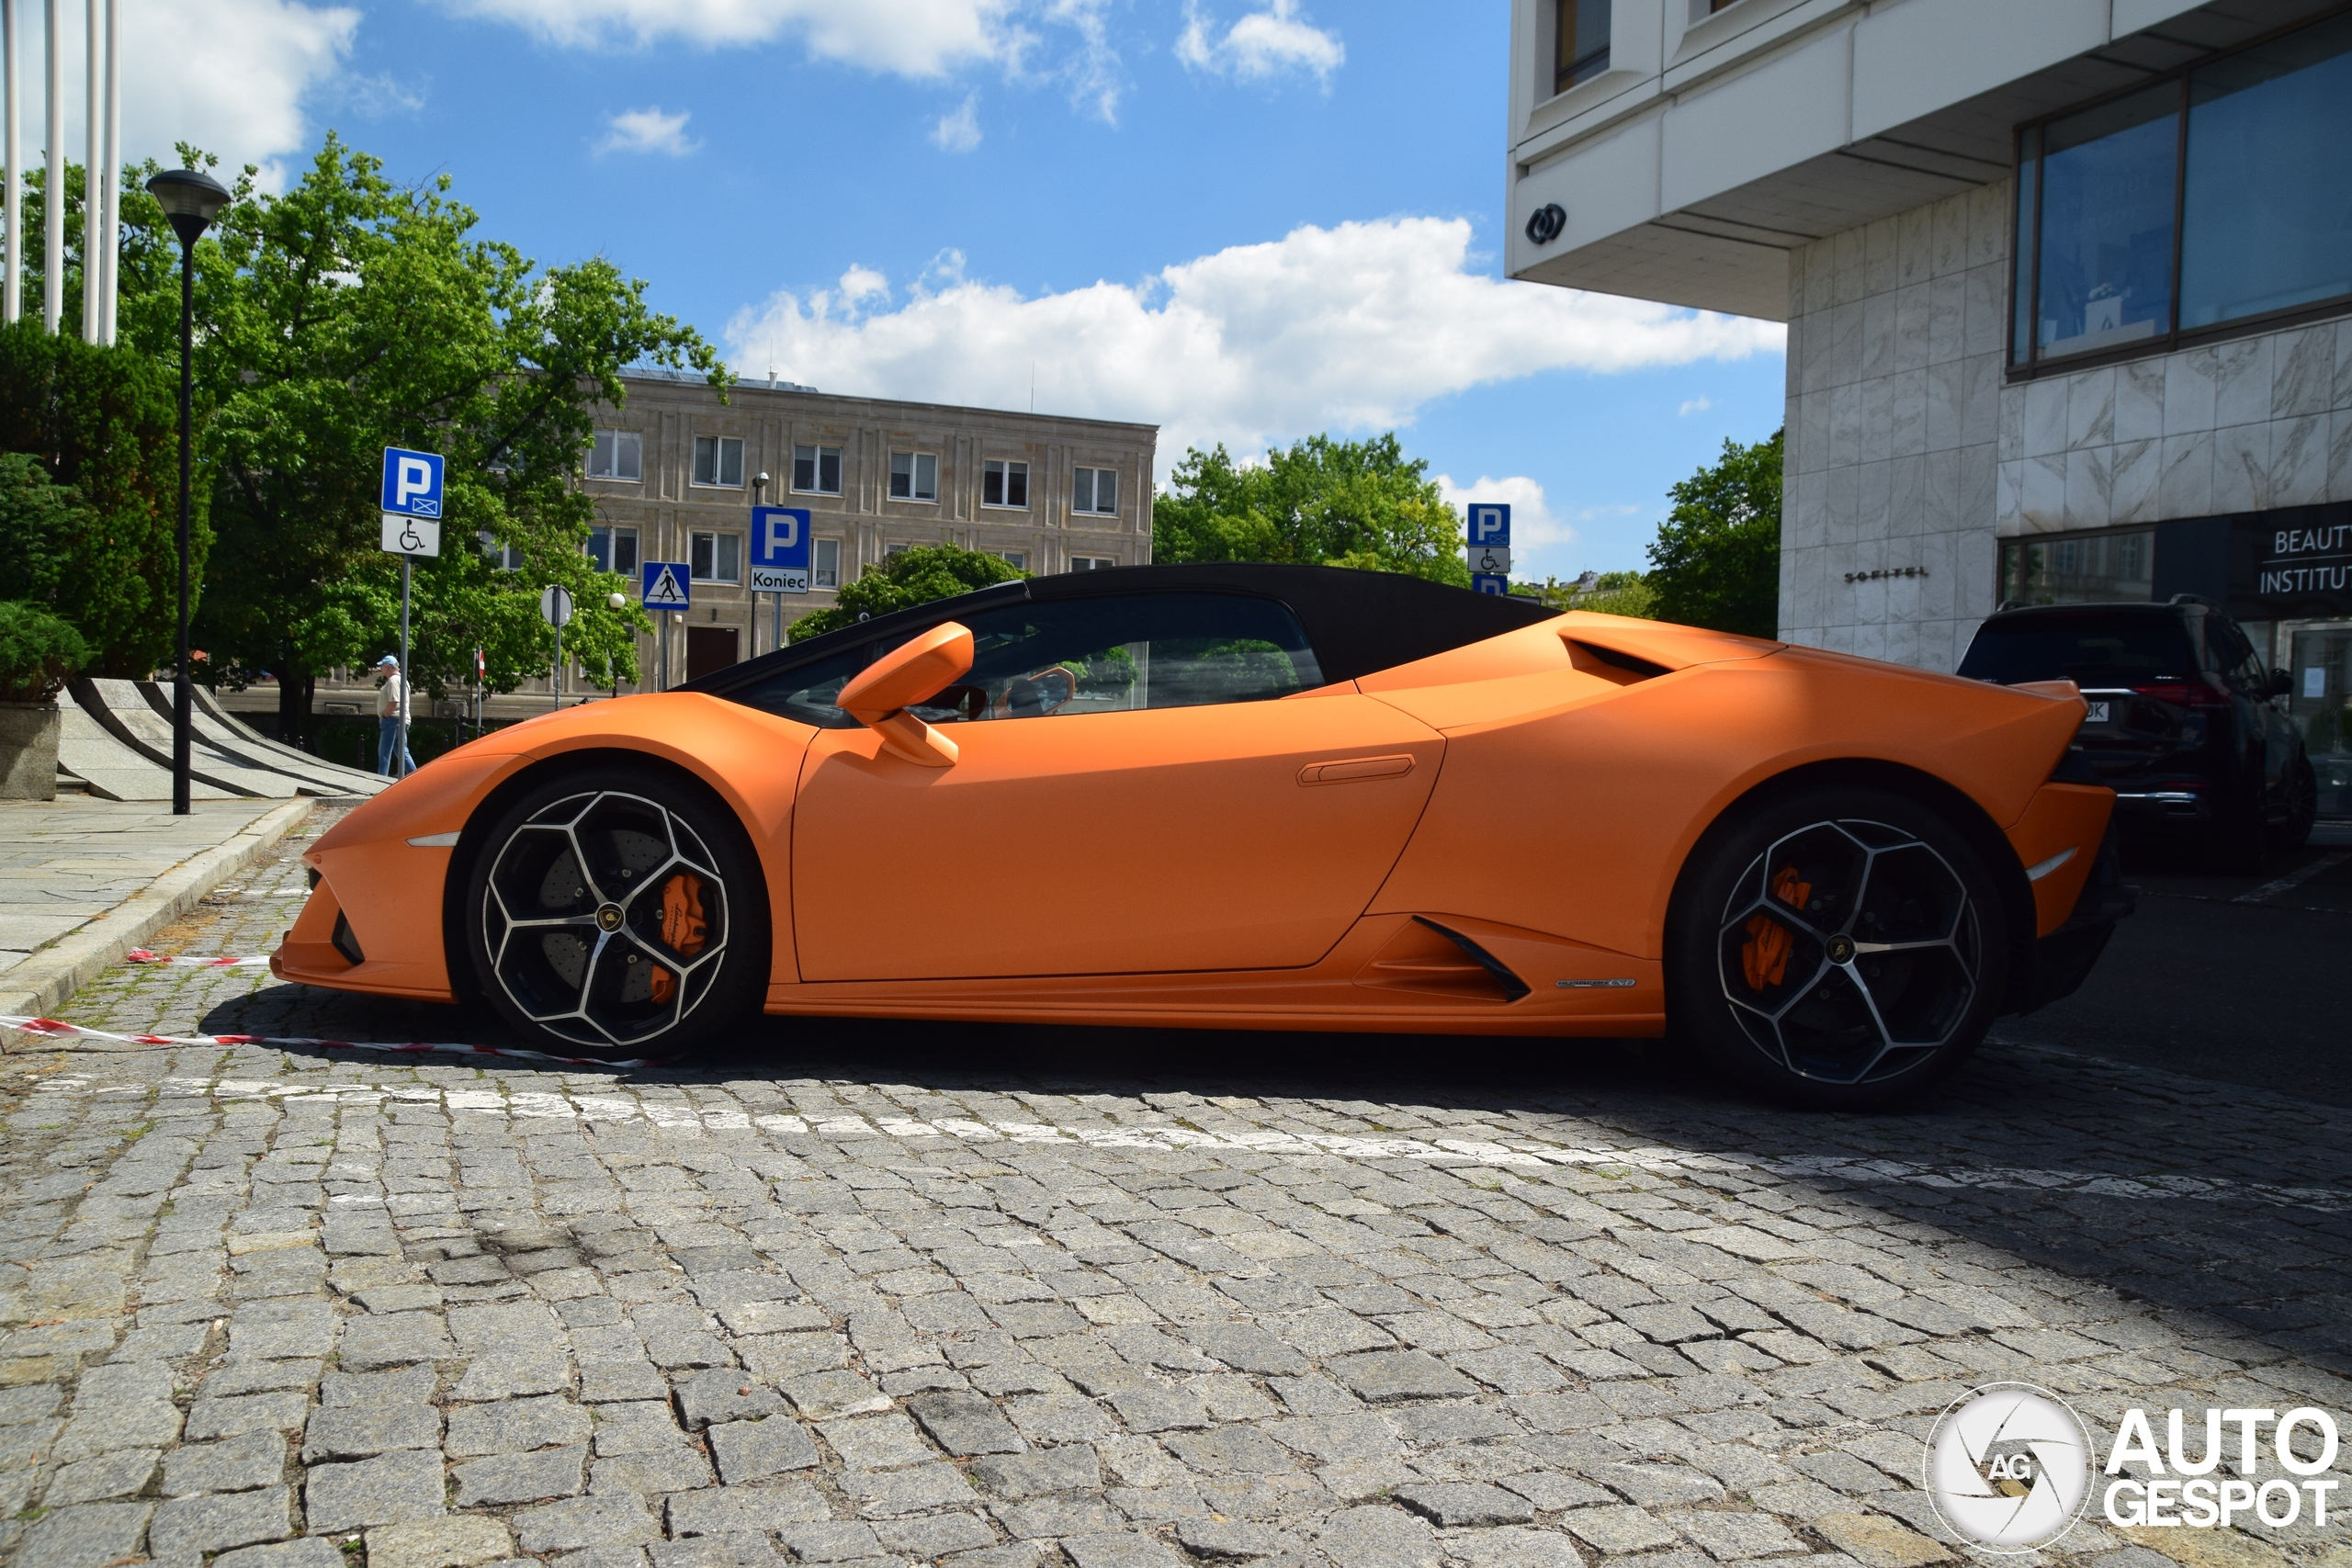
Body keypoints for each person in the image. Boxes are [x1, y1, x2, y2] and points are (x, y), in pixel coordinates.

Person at [375, 654, 416, 776]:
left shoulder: (393, 680)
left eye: (382, 666)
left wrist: (385, 716)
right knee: (402, 752)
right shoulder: (402, 680)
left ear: (388, 666)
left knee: (384, 754)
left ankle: (381, 782)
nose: (381, 669)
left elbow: (394, 701)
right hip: (401, 719)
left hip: (392, 720)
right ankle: (415, 777)